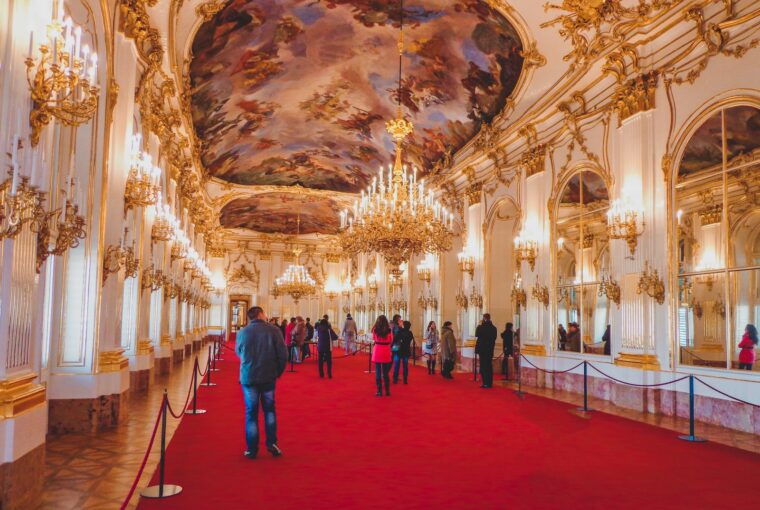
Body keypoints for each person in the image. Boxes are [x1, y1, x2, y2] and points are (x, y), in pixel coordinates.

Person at [235, 306, 287, 459]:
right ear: (261, 314)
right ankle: (272, 444)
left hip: (249, 377)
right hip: (268, 376)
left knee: (251, 413)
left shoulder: (243, 332)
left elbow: (238, 352)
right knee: (269, 410)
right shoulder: (274, 330)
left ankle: (251, 449)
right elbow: (283, 355)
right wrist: (278, 372)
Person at [371, 315, 393, 396]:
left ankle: (379, 390)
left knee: (378, 371)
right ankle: (387, 390)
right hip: (386, 350)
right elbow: (391, 340)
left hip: (377, 350)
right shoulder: (389, 330)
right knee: (385, 372)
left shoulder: (375, 330)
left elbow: (373, 338)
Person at [475, 313, 497, 388]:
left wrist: (479, 325)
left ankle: (485, 383)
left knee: (483, 367)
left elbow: (476, 334)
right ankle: (490, 383)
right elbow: (494, 338)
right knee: (489, 366)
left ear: (484, 318)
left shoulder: (481, 327)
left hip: (482, 350)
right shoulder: (494, 328)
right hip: (490, 350)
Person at [393, 320, 414, 384]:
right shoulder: (410, 333)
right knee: (405, 366)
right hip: (406, 350)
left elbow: (395, 339)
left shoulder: (399, 331)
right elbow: (410, 340)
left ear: (404, 325)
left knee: (397, 365)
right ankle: (405, 380)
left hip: (398, 350)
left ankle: (395, 379)